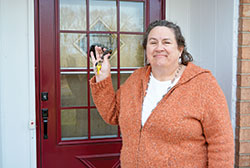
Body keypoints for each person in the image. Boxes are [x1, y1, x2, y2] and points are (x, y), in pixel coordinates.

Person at [90, 20, 234, 168]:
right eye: (153, 43)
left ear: (180, 49)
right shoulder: (136, 80)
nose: (159, 48)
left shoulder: (203, 84)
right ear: (146, 49)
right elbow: (112, 114)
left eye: (166, 42)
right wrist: (102, 76)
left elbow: (221, 142)